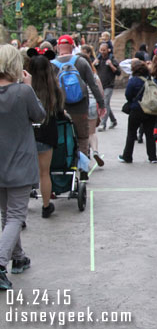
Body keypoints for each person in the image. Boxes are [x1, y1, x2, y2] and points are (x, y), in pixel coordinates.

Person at [0, 44, 46, 290]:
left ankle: (18, 258)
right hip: (19, 162)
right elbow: (39, 116)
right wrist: (29, 88)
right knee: (16, 215)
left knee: (7, 216)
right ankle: (0, 263)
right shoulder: (22, 92)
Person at [52, 35, 106, 180]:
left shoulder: (52, 64)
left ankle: (64, 166)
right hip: (80, 107)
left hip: (61, 108)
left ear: (58, 47)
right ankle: (83, 169)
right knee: (82, 137)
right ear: (72, 46)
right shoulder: (81, 62)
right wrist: (101, 104)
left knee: (62, 136)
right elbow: (93, 85)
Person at [28, 48, 66, 218]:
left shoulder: (24, 89)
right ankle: (45, 206)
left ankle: (20, 210)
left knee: (25, 173)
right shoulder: (54, 91)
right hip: (46, 134)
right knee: (45, 173)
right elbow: (59, 113)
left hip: (26, 134)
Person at [118, 60, 157, 164]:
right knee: (149, 134)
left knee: (131, 133)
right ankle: (152, 157)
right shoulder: (152, 80)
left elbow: (128, 95)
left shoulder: (134, 80)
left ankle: (127, 156)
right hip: (150, 110)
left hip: (137, 109)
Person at [78, 46, 105, 167]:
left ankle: (83, 157)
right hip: (93, 104)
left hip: (79, 105)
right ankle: (95, 151)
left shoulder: (75, 75)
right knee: (92, 132)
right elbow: (101, 92)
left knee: (80, 134)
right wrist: (102, 105)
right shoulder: (94, 75)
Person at [94, 42, 120, 131]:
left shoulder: (112, 59)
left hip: (109, 85)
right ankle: (113, 120)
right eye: (101, 50)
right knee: (106, 104)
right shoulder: (98, 59)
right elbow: (92, 70)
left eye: (104, 50)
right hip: (100, 85)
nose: (102, 52)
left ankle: (103, 124)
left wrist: (111, 65)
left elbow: (118, 72)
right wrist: (94, 64)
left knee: (105, 103)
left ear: (108, 50)